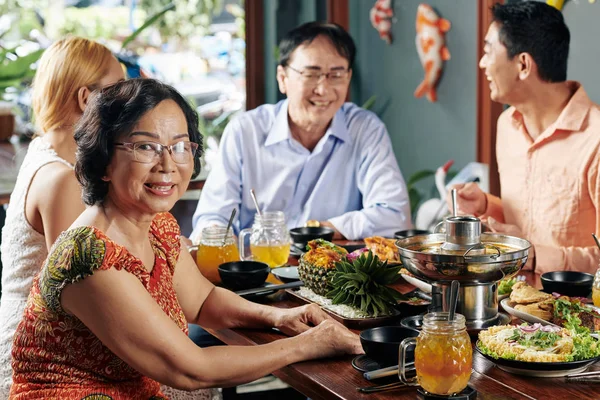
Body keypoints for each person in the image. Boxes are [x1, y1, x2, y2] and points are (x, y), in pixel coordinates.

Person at [9, 78, 362, 399]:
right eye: (145, 147)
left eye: (180, 146)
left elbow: (202, 301)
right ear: (103, 161)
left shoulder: (156, 226)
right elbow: (190, 370)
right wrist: (309, 344)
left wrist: (277, 318)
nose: (168, 164)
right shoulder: (88, 255)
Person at [191, 22, 411, 241]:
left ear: (348, 77)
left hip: (332, 270)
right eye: (311, 74)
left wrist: (318, 230)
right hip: (258, 268)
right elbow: (213, 217)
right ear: (282, 78)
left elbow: (395, 215)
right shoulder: (245, 131)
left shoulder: (364, 129)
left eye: (336, 75)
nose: (323, 89)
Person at [0, 36, 125, 398]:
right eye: (117, 91)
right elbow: (79, 290)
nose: (126, 103)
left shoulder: (46, 148)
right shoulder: (60, 179)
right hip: (36, 357)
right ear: (87, 98)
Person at [449, 2, 600, 274]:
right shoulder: (507, 125)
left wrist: (533, 256)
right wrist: (485, 205)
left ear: (522, 64)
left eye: (488, 51)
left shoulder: (595, 139)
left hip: (576, 311)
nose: (482, 63)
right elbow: (526, 221)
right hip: (509, 303)